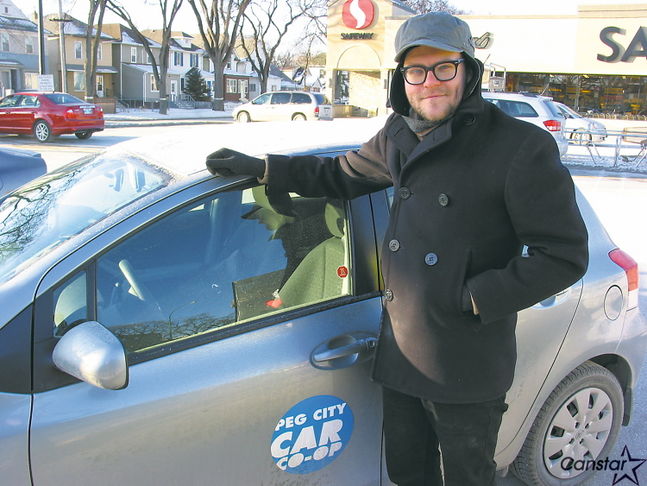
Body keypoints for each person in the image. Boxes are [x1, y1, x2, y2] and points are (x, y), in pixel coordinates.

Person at [205, 12, 589, 486]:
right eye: (416, 71)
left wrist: (473, 296)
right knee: (408, 474)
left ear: (468, 71)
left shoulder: (518, 147)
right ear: (402, 78)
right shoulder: (398, 135)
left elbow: (565, 255)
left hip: (466, 363)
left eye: (444, 68)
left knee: (468, 478)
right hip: (404, 354)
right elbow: (341, 175)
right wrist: (268, 169)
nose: (430, 83)